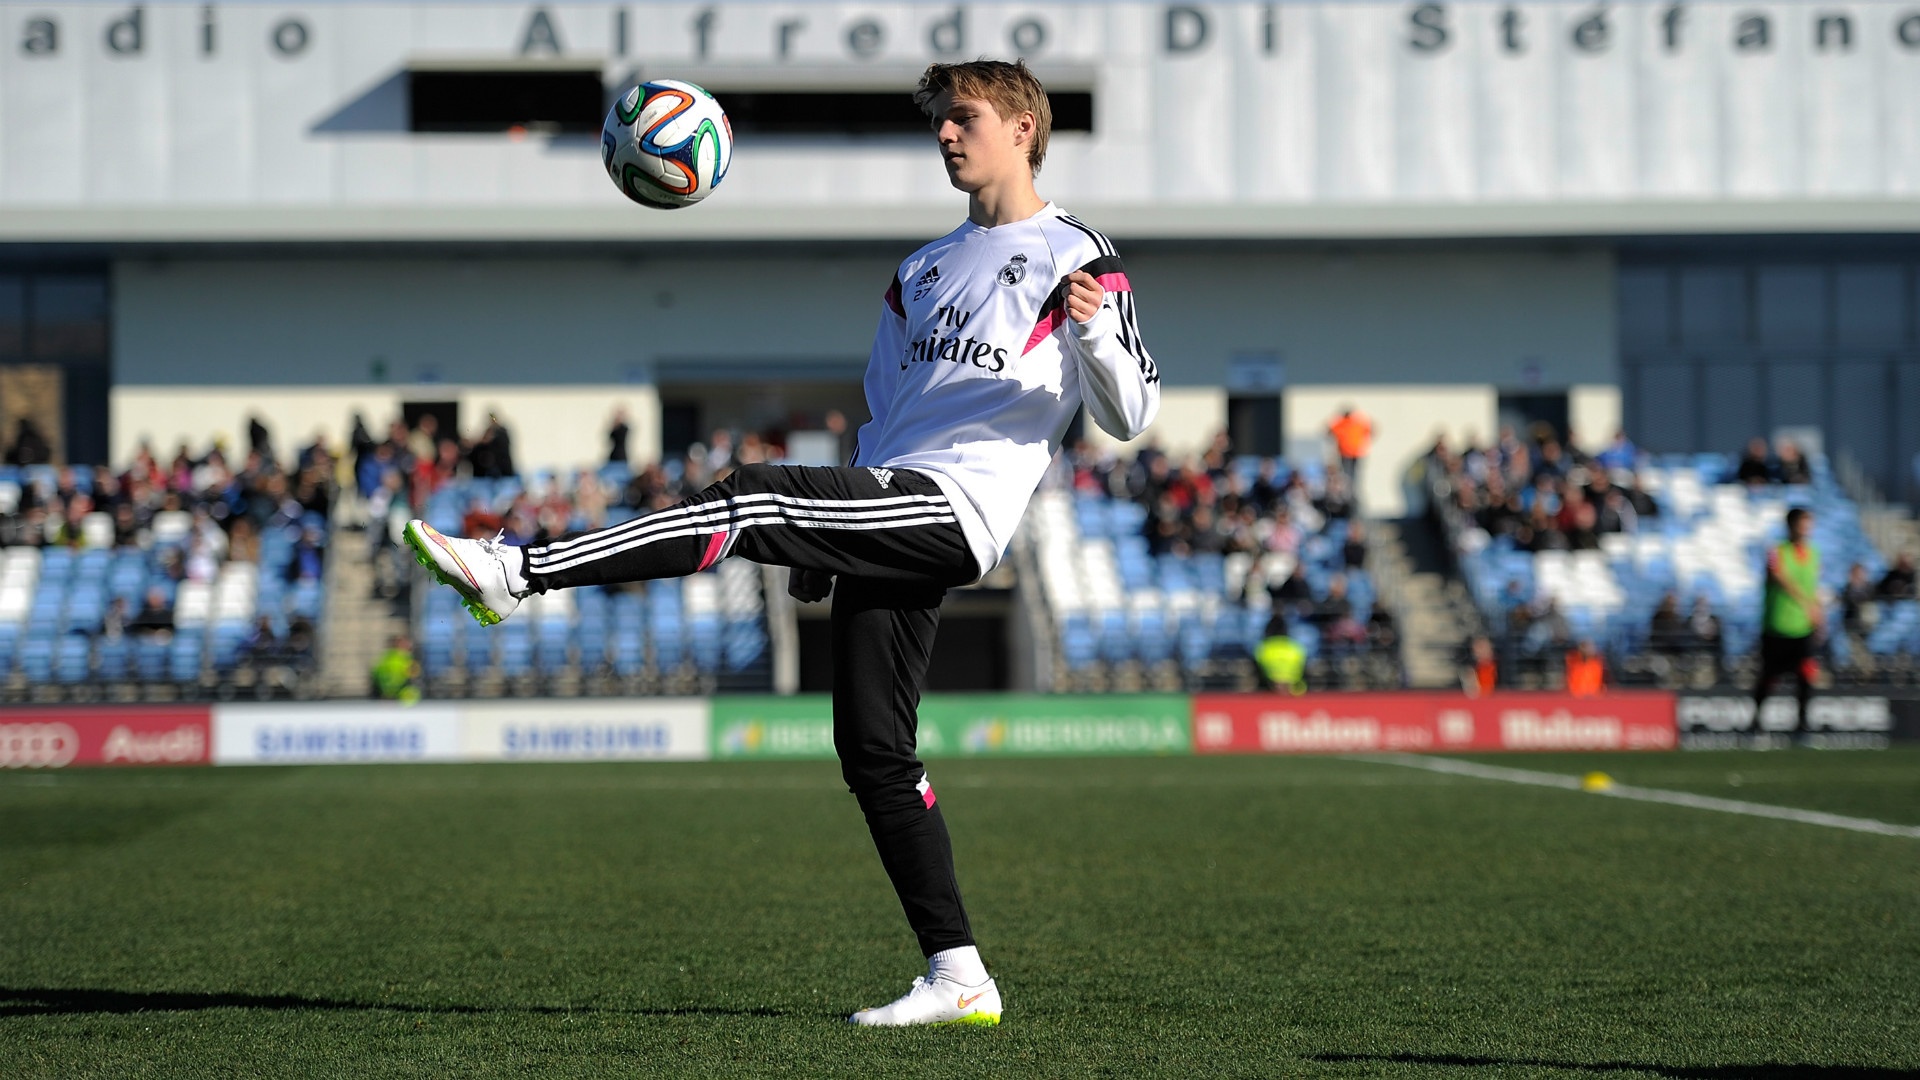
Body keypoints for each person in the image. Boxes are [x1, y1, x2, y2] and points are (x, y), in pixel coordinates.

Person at [404, 59, 1157, 1030]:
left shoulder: (1076, 252)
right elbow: (885, 419)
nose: (945, 136)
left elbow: (1132, 411)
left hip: (958, 509)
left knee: (748, 496)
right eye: (938, 123)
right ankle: (960, 975)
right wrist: (827, 543)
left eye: (962, 118)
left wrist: (1095, 338)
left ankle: (519, 570)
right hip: (891, 497)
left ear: (1022, 127)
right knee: (874, 751)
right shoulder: (921, 271)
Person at [1754, 507, 1822, 736]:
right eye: (1803, 524)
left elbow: (1813, 586)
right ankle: (1757, 721)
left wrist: (1817, 612)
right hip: (1777, 624)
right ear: (1791, 526)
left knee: (1806, 674)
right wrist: (1805, 602)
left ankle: (1802, 723)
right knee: (1769, 675)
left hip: (1802, 626)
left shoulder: (1813, 553)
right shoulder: (1778, 551)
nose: (1806, 529)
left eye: (1809, 524)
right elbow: (1778, 576)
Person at [1255, 613, 1307, 694]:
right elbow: (1303, 665)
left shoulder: (1263, 647)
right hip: (1292, 684)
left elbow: (1258, 668)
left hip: (1273, 684)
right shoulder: (1295, 647)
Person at [1327, 406, 1372, 496]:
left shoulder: (1344, 423)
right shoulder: (1356, 423)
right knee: (1349, 473)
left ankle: (1350, 490)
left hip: (1350, 452)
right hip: (1350, 452)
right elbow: (1369, 430)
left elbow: (1329, 431)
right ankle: (1349, 490)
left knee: (1348, 473)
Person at [371, 633, 420, 704]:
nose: (408, 646)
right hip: (398, 695)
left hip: (389, 695)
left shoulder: (385, 658)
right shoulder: (400, 660)